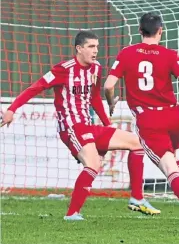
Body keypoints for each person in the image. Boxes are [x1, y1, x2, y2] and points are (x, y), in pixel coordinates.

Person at [0, 31, 148, 221]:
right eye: (90, 47)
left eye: (97, 47)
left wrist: (107, 124)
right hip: (71, 127)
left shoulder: (96, 68)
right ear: (79, 49)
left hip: (88, 126)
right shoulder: (63, 69)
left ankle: (136, 198)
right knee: (93, 164)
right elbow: (34, 88)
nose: (95, 51)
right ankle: (72, 214)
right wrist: (12, 109)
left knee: (137, 143)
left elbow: (94, 97)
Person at [104, 12, 179, 235]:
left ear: (139, 31)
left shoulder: (126, 53)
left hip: (148, 119)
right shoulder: (170, 54)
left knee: (168, 166)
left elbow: (109, 85)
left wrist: (111, 103)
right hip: (172, 116)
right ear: (161, 31)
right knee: (173, 158)